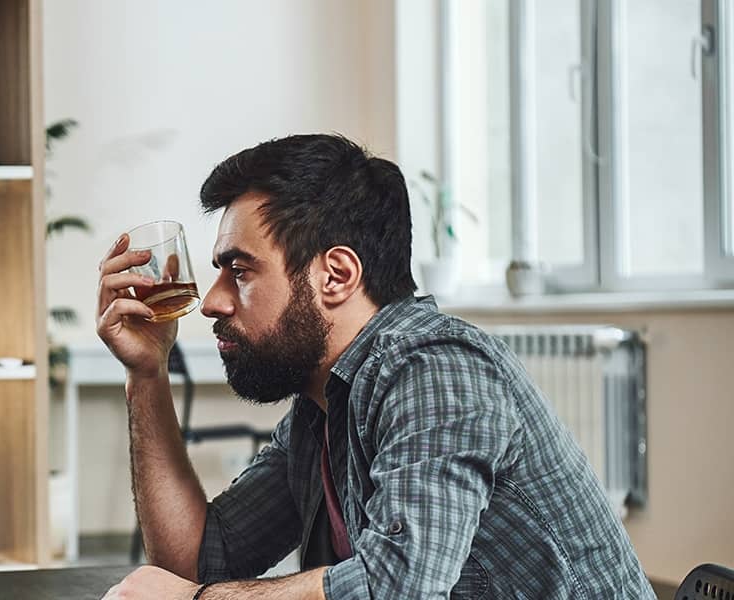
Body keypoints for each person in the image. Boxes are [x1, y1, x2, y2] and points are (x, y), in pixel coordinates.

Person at [95, 134, 655, 599]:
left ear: (336, 276)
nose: (213, 301)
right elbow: (197, 557)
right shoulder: (322, 405)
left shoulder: (436, 371)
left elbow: (400, 586)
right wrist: (147, 373)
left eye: (239, 271)